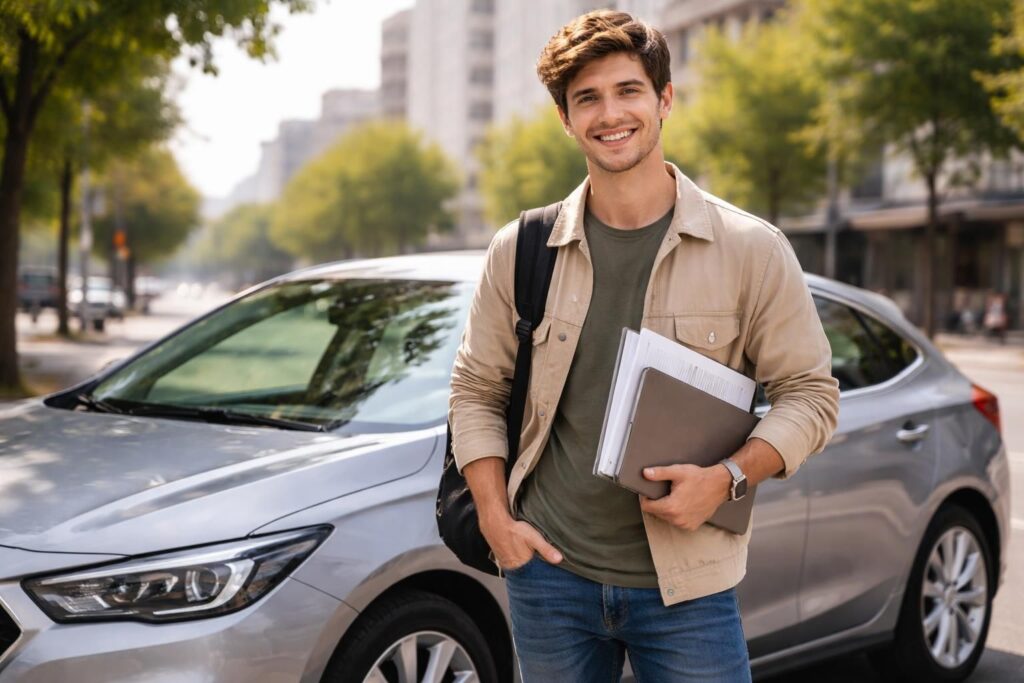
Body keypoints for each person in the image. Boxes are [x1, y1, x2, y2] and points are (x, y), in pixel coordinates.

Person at [448, 10, 840, 682]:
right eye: (587, 98)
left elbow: (811, 396)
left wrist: (727, 479)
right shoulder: (520, 250)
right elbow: (476, 390)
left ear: (664, 99)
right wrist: (494, 517)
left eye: (629, 90)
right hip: (548, 576)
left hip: (688, 587)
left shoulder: (751, 250)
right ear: (566, 119)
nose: (610, 114)